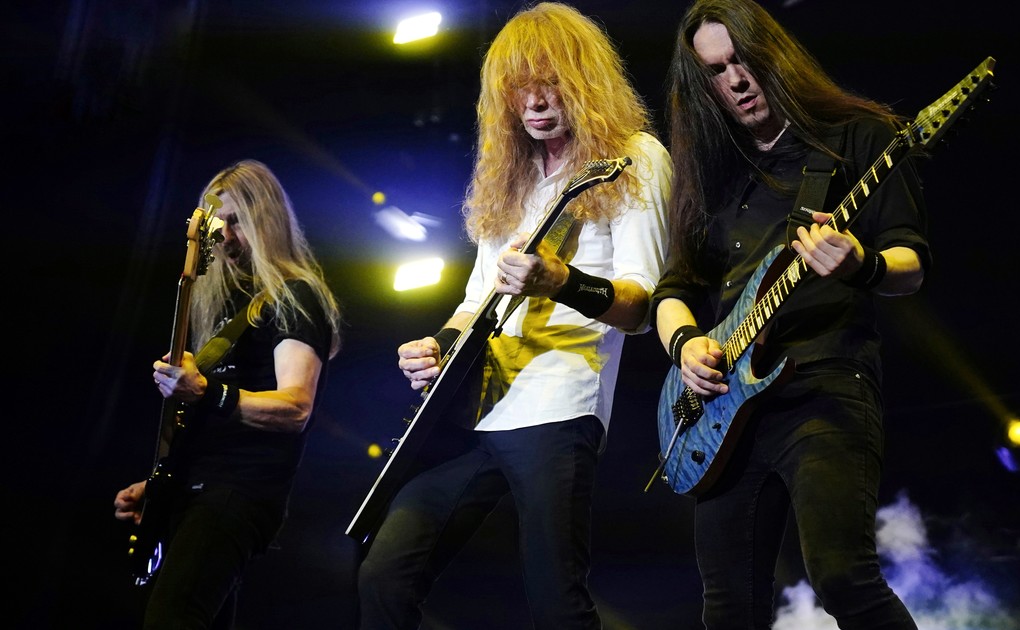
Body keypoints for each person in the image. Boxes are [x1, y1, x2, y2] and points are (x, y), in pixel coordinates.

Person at [354, 3, 671, 628]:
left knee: (556, 604)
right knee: (385, 574)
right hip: (476, 407)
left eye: (550, 81)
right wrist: (437, 345)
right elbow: (476, 298)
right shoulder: (510, 176)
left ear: (585, 80)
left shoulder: (633, 157)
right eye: (518, 87)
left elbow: (640, 306)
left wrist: (560, 280)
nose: (535, 100)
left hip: (560, 405)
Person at [652, 1, 929, 628]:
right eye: (716, 71)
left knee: (842, 577)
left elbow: (911, 262)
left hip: (825, 383)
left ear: (774, 56)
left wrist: (863, 264)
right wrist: (686, 344)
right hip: (726, 411)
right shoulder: (714, 173)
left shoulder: (859, 136)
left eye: (743, 61)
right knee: (729, 608)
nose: (736, 81)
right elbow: (673, 289)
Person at [114, 159, 343, 629]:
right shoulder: (226, 304)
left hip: (237, 492)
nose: (227, 238)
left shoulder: (294, 296)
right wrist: (161, 486)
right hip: (196, 492)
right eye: (218, 227)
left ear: (267, 220)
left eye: (238, 222)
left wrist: (206, 390)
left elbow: (295, 407)